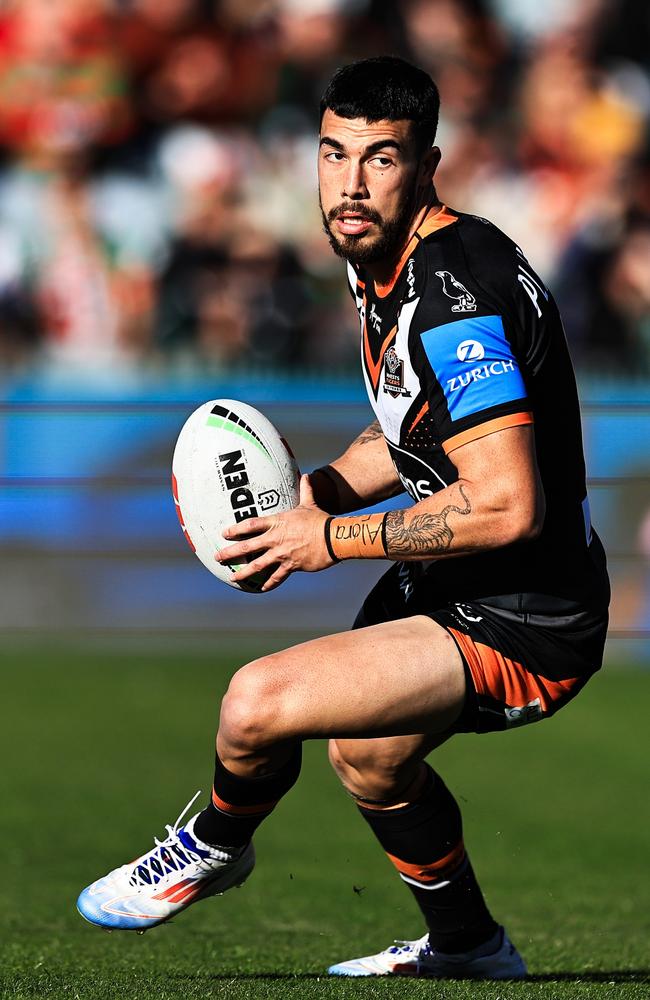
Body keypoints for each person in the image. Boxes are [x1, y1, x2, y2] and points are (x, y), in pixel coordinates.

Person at [77, 56, 610, 980]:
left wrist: (327, 539)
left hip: (528, 614)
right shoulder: (394, 261)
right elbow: (410, 418)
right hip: (465, 583)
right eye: (334, 154)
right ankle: (470, 947)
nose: (351, 184)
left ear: (427, 164)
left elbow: (506, 503)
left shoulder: (455, 294)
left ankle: (213, 842)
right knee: (368, 758)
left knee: (257, 705)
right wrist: (320, 491)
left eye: (381, 159)